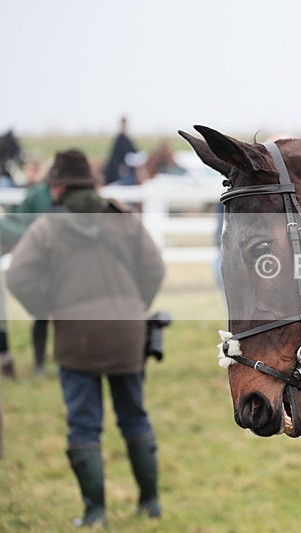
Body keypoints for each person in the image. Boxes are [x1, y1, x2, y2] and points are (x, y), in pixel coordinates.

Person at [6, 149, 166, 527]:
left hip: (76, 336)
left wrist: (47, 307)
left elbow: (17, 278)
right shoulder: (122, 217)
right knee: (135, 417)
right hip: (129, 332)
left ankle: (95, 514)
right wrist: (133, 304)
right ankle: (151, 504)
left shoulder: (47, 226)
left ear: (58, 186)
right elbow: (155, 268)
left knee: (83, 424)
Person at [0, 159, 54, 376]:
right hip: (42, 263)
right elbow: (15, 219)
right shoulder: (38, 194)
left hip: (60, 263)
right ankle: (37, 364)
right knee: (42, 312)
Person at [102, 116, 139, 185]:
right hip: (119, 168)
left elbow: (134, 151)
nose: (124, 126)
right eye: (123, 125)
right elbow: (117, 155)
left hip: (129, 166)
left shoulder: (128, 139)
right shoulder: (119, 139)